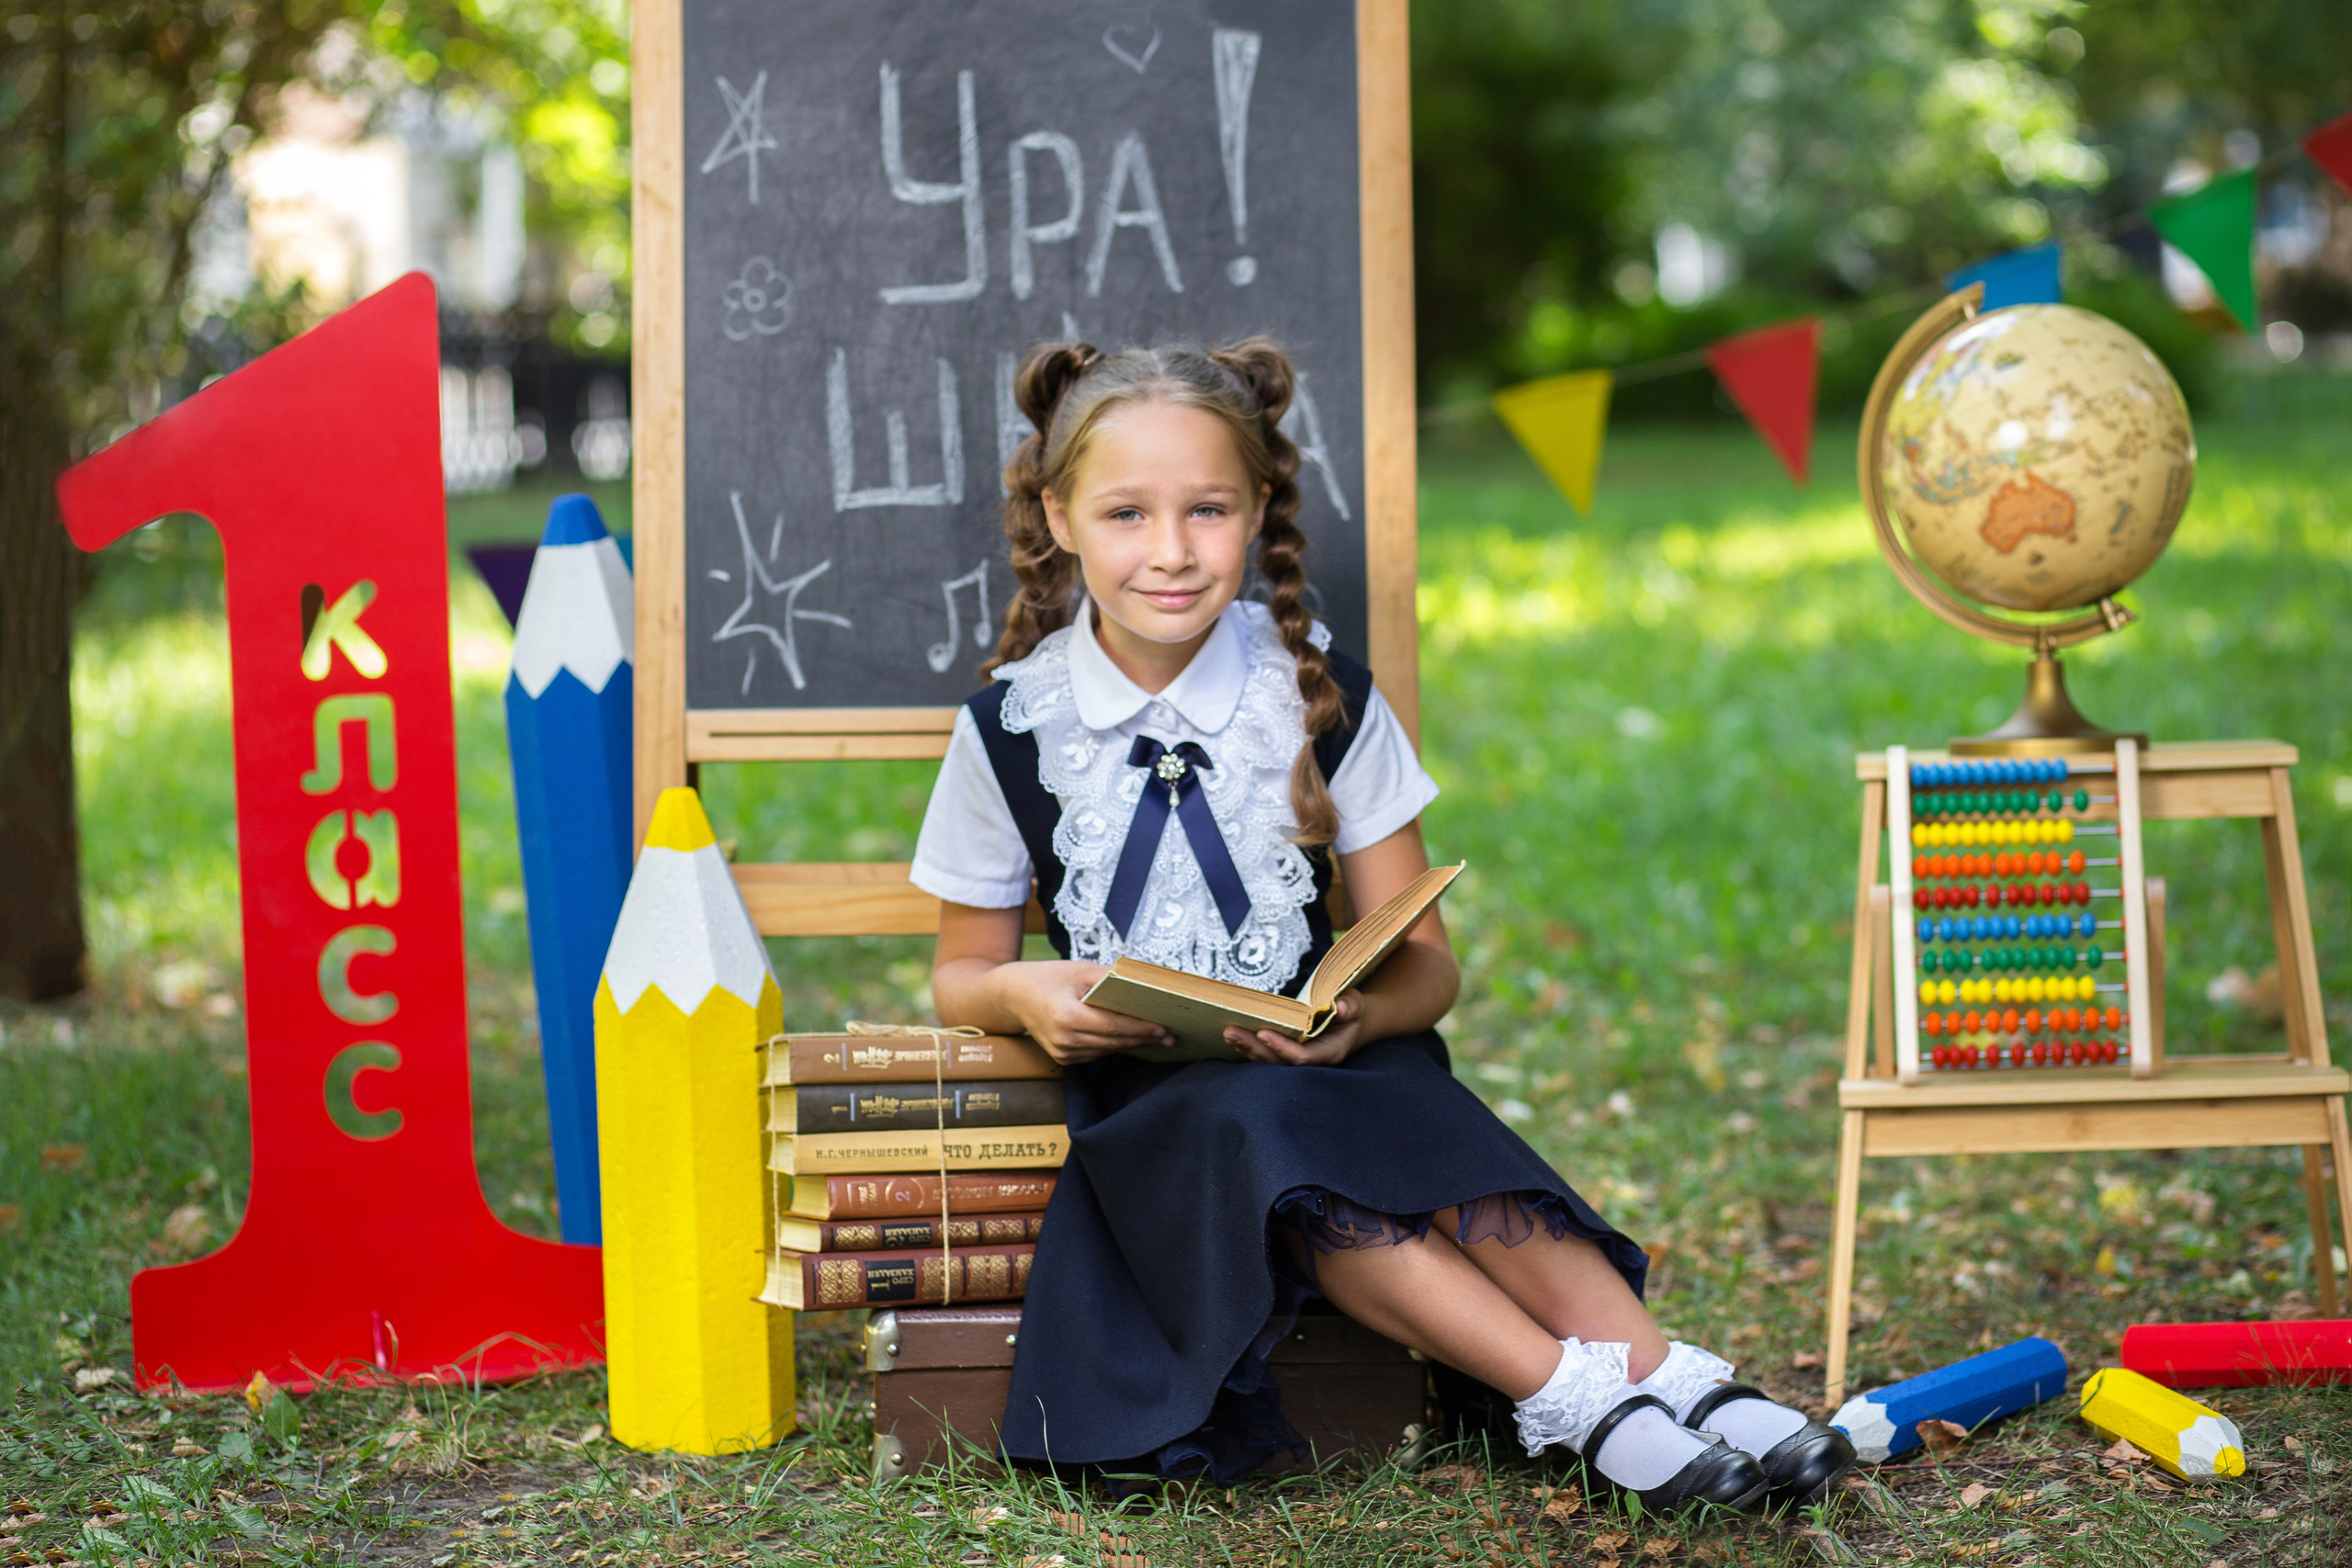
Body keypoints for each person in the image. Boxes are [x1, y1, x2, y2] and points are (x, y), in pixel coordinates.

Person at [909, 338, 1850, 1512]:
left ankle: (1679, 1379)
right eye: (1126, 513)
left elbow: (1427, 968)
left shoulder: (1317, 691)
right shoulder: (1008, 727)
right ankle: (1585, 1403)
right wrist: (1024, 999)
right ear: (1058, 516)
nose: (1169, 550)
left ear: (1257, 507)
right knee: (1277, 1144)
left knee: (1395, 1120)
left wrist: (1358, 1023)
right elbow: (961, 972)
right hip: (1155, 1114)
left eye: (1206, 510)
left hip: (1340, 1064)